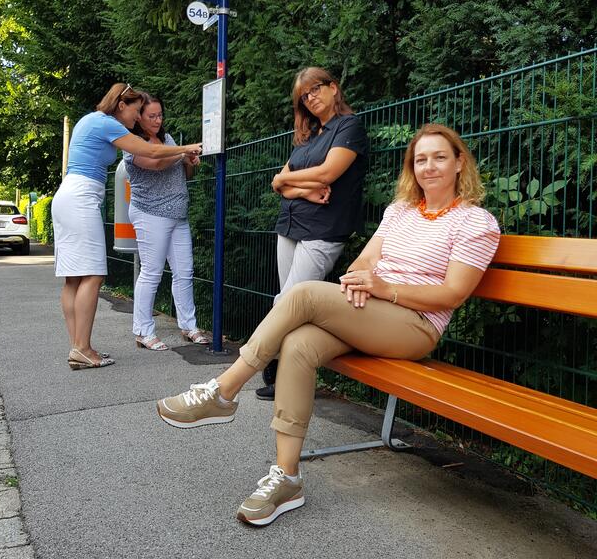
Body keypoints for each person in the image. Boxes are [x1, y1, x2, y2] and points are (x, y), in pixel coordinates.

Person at [155, 123, 500, 526]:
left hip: (415, 326)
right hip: (371, 312)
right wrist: (357, 283)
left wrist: (383, 289)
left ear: (459, 163)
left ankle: (223, 390)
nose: (430, 167)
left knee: (302, 294)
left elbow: (453, 294)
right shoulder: (400, 212)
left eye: (440, 157)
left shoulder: (476, 222)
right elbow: (363, 263)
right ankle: (287, 478)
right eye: (421, 159)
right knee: (299, 345)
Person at [51, 83, 201, 370]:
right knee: (93, 276)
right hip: (81, 198)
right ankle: (82, 348)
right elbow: (150, 152)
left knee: (73, 278)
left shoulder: (90, 120)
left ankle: (78, 347)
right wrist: (186, 149)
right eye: (136, 111)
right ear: (121, 105)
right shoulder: (106, 123)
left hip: (67, 195)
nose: (136, 118)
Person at [257, 67, 368, 400]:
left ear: (334, 88)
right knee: (288, 301)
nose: (310, 98)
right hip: (291, 223)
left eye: (315, 89)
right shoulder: (310, 137)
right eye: (304, 96)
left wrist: (288, 181)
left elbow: (329, 173)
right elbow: (281, 183)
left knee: (288, 301)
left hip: (324, 229)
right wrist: (301, 189)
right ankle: (288, 374)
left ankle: (275, 362)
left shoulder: (349, 128)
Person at [123, 93, 208, 351]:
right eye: (152, 116)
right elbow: (155, 162)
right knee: (151, 273)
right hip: (151, 214)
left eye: (160, 115)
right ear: (139, 117)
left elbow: (185, 171)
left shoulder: (168, 139)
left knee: (184, 272)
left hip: (178, 215)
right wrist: (183, 151)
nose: (158, 120)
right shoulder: (133, 143)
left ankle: (189, 326)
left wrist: (190, 161)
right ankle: (143, 331)